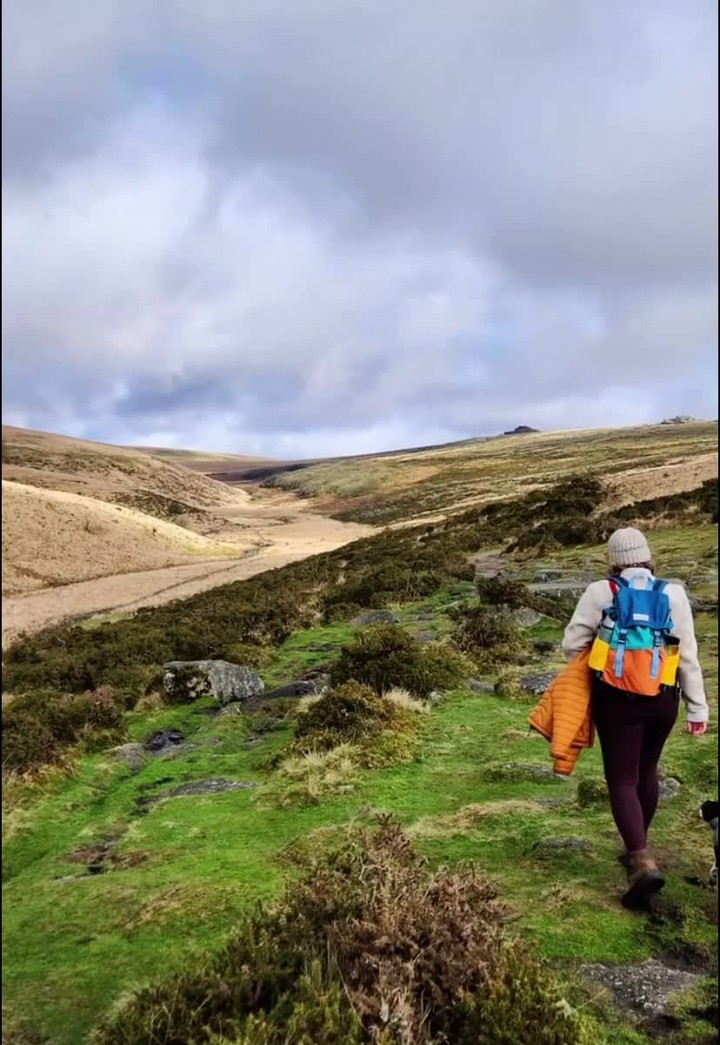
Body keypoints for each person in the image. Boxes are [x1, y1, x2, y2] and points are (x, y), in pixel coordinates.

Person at [562, 526, 709, 909]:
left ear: (614, 560)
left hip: (618, 700)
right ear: (646, 556)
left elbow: (571, 644)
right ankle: (638, 846)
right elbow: (688, 654)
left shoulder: (601, 592)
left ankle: (641, 860)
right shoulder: (673, 593)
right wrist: (698, 708)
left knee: (621, 778)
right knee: (647, 771)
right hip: (664, 698)